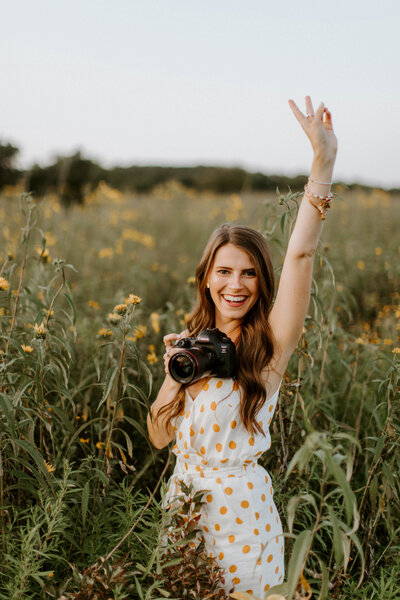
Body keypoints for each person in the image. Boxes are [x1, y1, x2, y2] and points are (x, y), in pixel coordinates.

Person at [147, 96, 338, 596]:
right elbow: (159, 439)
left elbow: (300, 254)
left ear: (261, 281)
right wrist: (175, 372)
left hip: (241, 521)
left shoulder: (270, 343)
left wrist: (322, 164)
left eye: (249, 273)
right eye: (225, 271)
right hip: (182, 508)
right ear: (206, 278)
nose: (236, 284)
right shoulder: (191, 346)